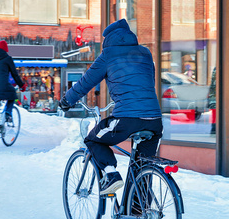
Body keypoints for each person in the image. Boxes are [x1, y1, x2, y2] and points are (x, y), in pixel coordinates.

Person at [59, 19, 163, 195]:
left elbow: (86, 82)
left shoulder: (108, 55)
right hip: (154, 121)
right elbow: (146, 82)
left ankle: (110, 174)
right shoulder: (145, 53)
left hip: (127, 119)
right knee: (141, 167)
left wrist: (66, 101)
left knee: (92, 139)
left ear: (108, 39)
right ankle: (137, 216)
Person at [0, 40, 24, 122]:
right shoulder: (7, 59)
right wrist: (21, 85)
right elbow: (14, 74)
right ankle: (8, 112)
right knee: (12, 94)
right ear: (6, 50)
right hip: (3, 85)